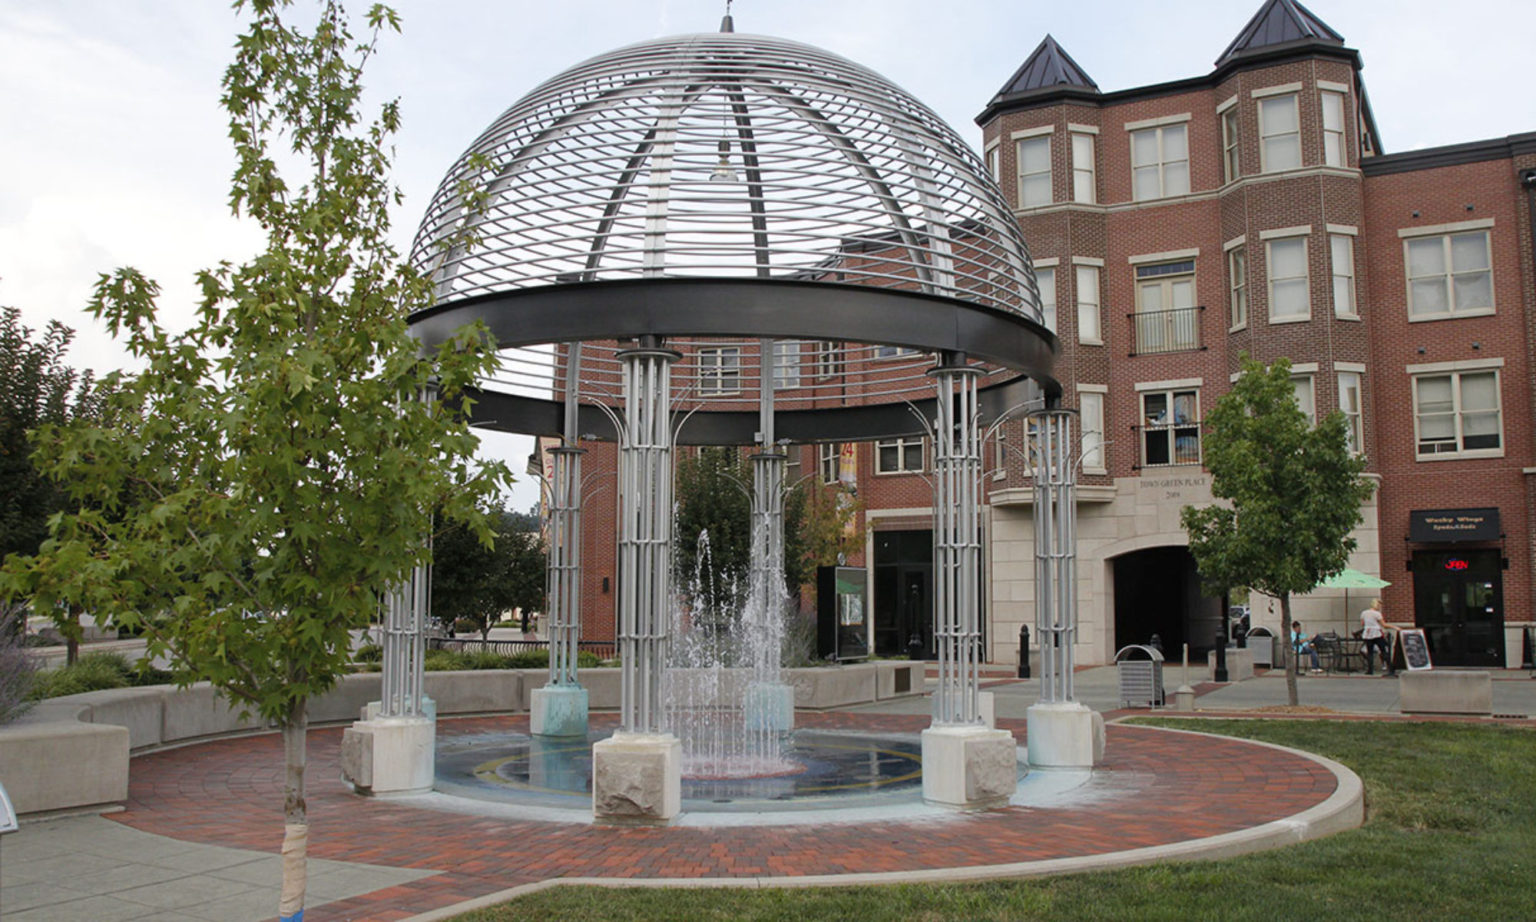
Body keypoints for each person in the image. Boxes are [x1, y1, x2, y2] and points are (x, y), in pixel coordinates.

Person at [1360, 598, 1395, 676]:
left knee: (1370, 652)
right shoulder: (1377, 614)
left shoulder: (1364, 613)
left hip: (1367, 633)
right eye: (1380, 605)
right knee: (1383, 650)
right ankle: (1391, 668)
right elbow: (1384, 625)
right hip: (1376, 633)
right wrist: (1394, 627)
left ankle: (1370, 670)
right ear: (1377, 605)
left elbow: (1362, 624)